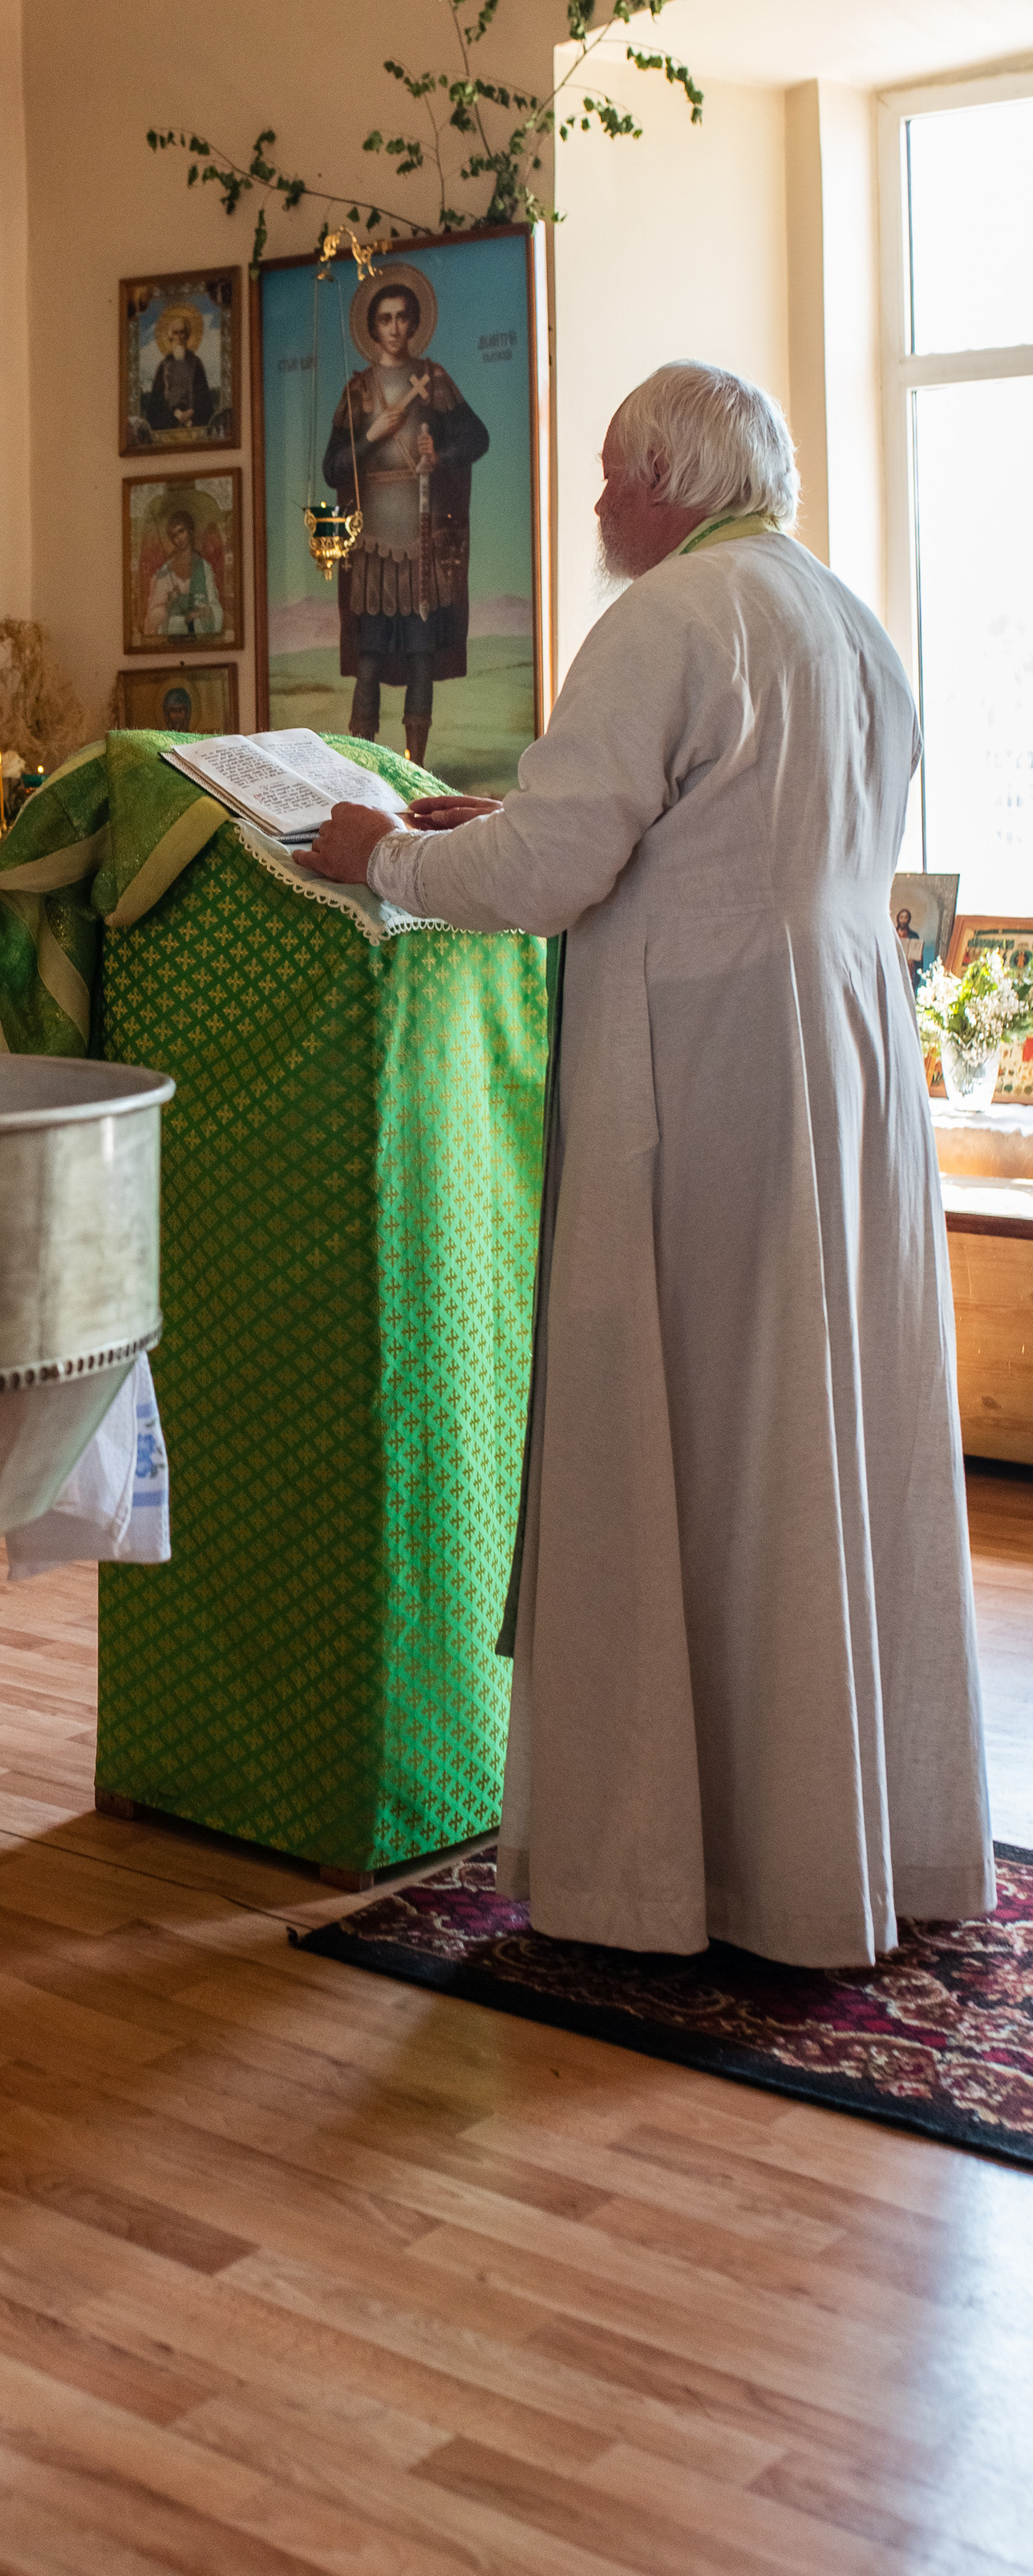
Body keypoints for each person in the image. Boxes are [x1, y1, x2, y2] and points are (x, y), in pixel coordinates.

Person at [306, 361, 992, 1968]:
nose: (600, 497)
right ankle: (835, 1837)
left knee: (702, 1434)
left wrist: (379, 853)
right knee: (809, 1436)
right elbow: (690, 826)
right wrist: (508, 812)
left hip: (710, 1069)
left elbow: (553, 875)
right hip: (837, 1055)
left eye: (616, 471)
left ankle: (675, 1871)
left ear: (672, 479)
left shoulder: (665, 617)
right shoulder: (843, 617)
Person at [324, 276, 488, 764]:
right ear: (373, 328)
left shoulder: (433, 381)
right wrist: (371, 435)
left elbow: (476, 438)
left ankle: (417, 766)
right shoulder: (358, 391)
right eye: (385, 319)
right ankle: (364, 765)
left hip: (422, 538)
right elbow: (333, 469)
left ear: (414, 323)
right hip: (372, 544)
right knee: (369, 659)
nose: (395, 328)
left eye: (402, 317)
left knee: (421, 655)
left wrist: (439, 457)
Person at [146, 504, 224, 640]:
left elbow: (215, 608)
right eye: (174, 535)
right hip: (174, 631)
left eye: (181, 531)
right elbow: (152, 616)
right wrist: (169, 603)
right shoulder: (165, 572)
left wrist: (198, 613)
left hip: (200, 628)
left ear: (189, 530)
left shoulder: (204, 568)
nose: (179, 538)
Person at [140, 304, 217, 436]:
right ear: (170, 336)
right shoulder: (164, 366)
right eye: (176, 333)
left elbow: (204, 399)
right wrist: (175, 415)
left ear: (187, 335)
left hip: (193, 423)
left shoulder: (196, 363)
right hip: (169, 423)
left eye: (182, 332)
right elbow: (156, 403)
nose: (180, 337)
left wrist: (192, 412)